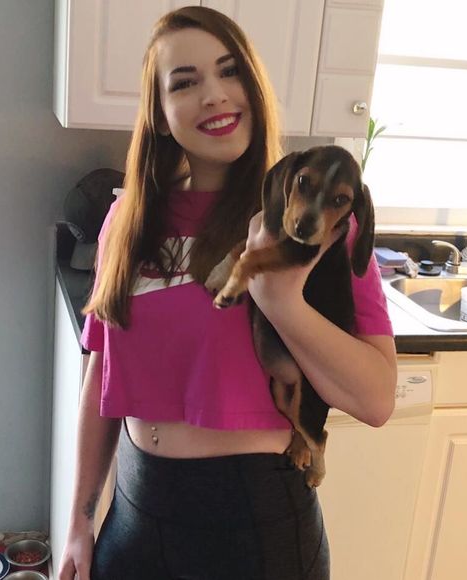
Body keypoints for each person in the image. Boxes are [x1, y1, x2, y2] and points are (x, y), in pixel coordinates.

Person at [58, 6, 397, 580]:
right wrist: (79, 521)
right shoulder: (129, 219)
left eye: (229, 71)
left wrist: (281, 302)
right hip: (137, 515)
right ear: (160, 113)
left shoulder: (315, 227)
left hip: (255, 531)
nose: (213, 95)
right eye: (185, 82)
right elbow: (101, 372)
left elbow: (377, 399)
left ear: (254, 88)